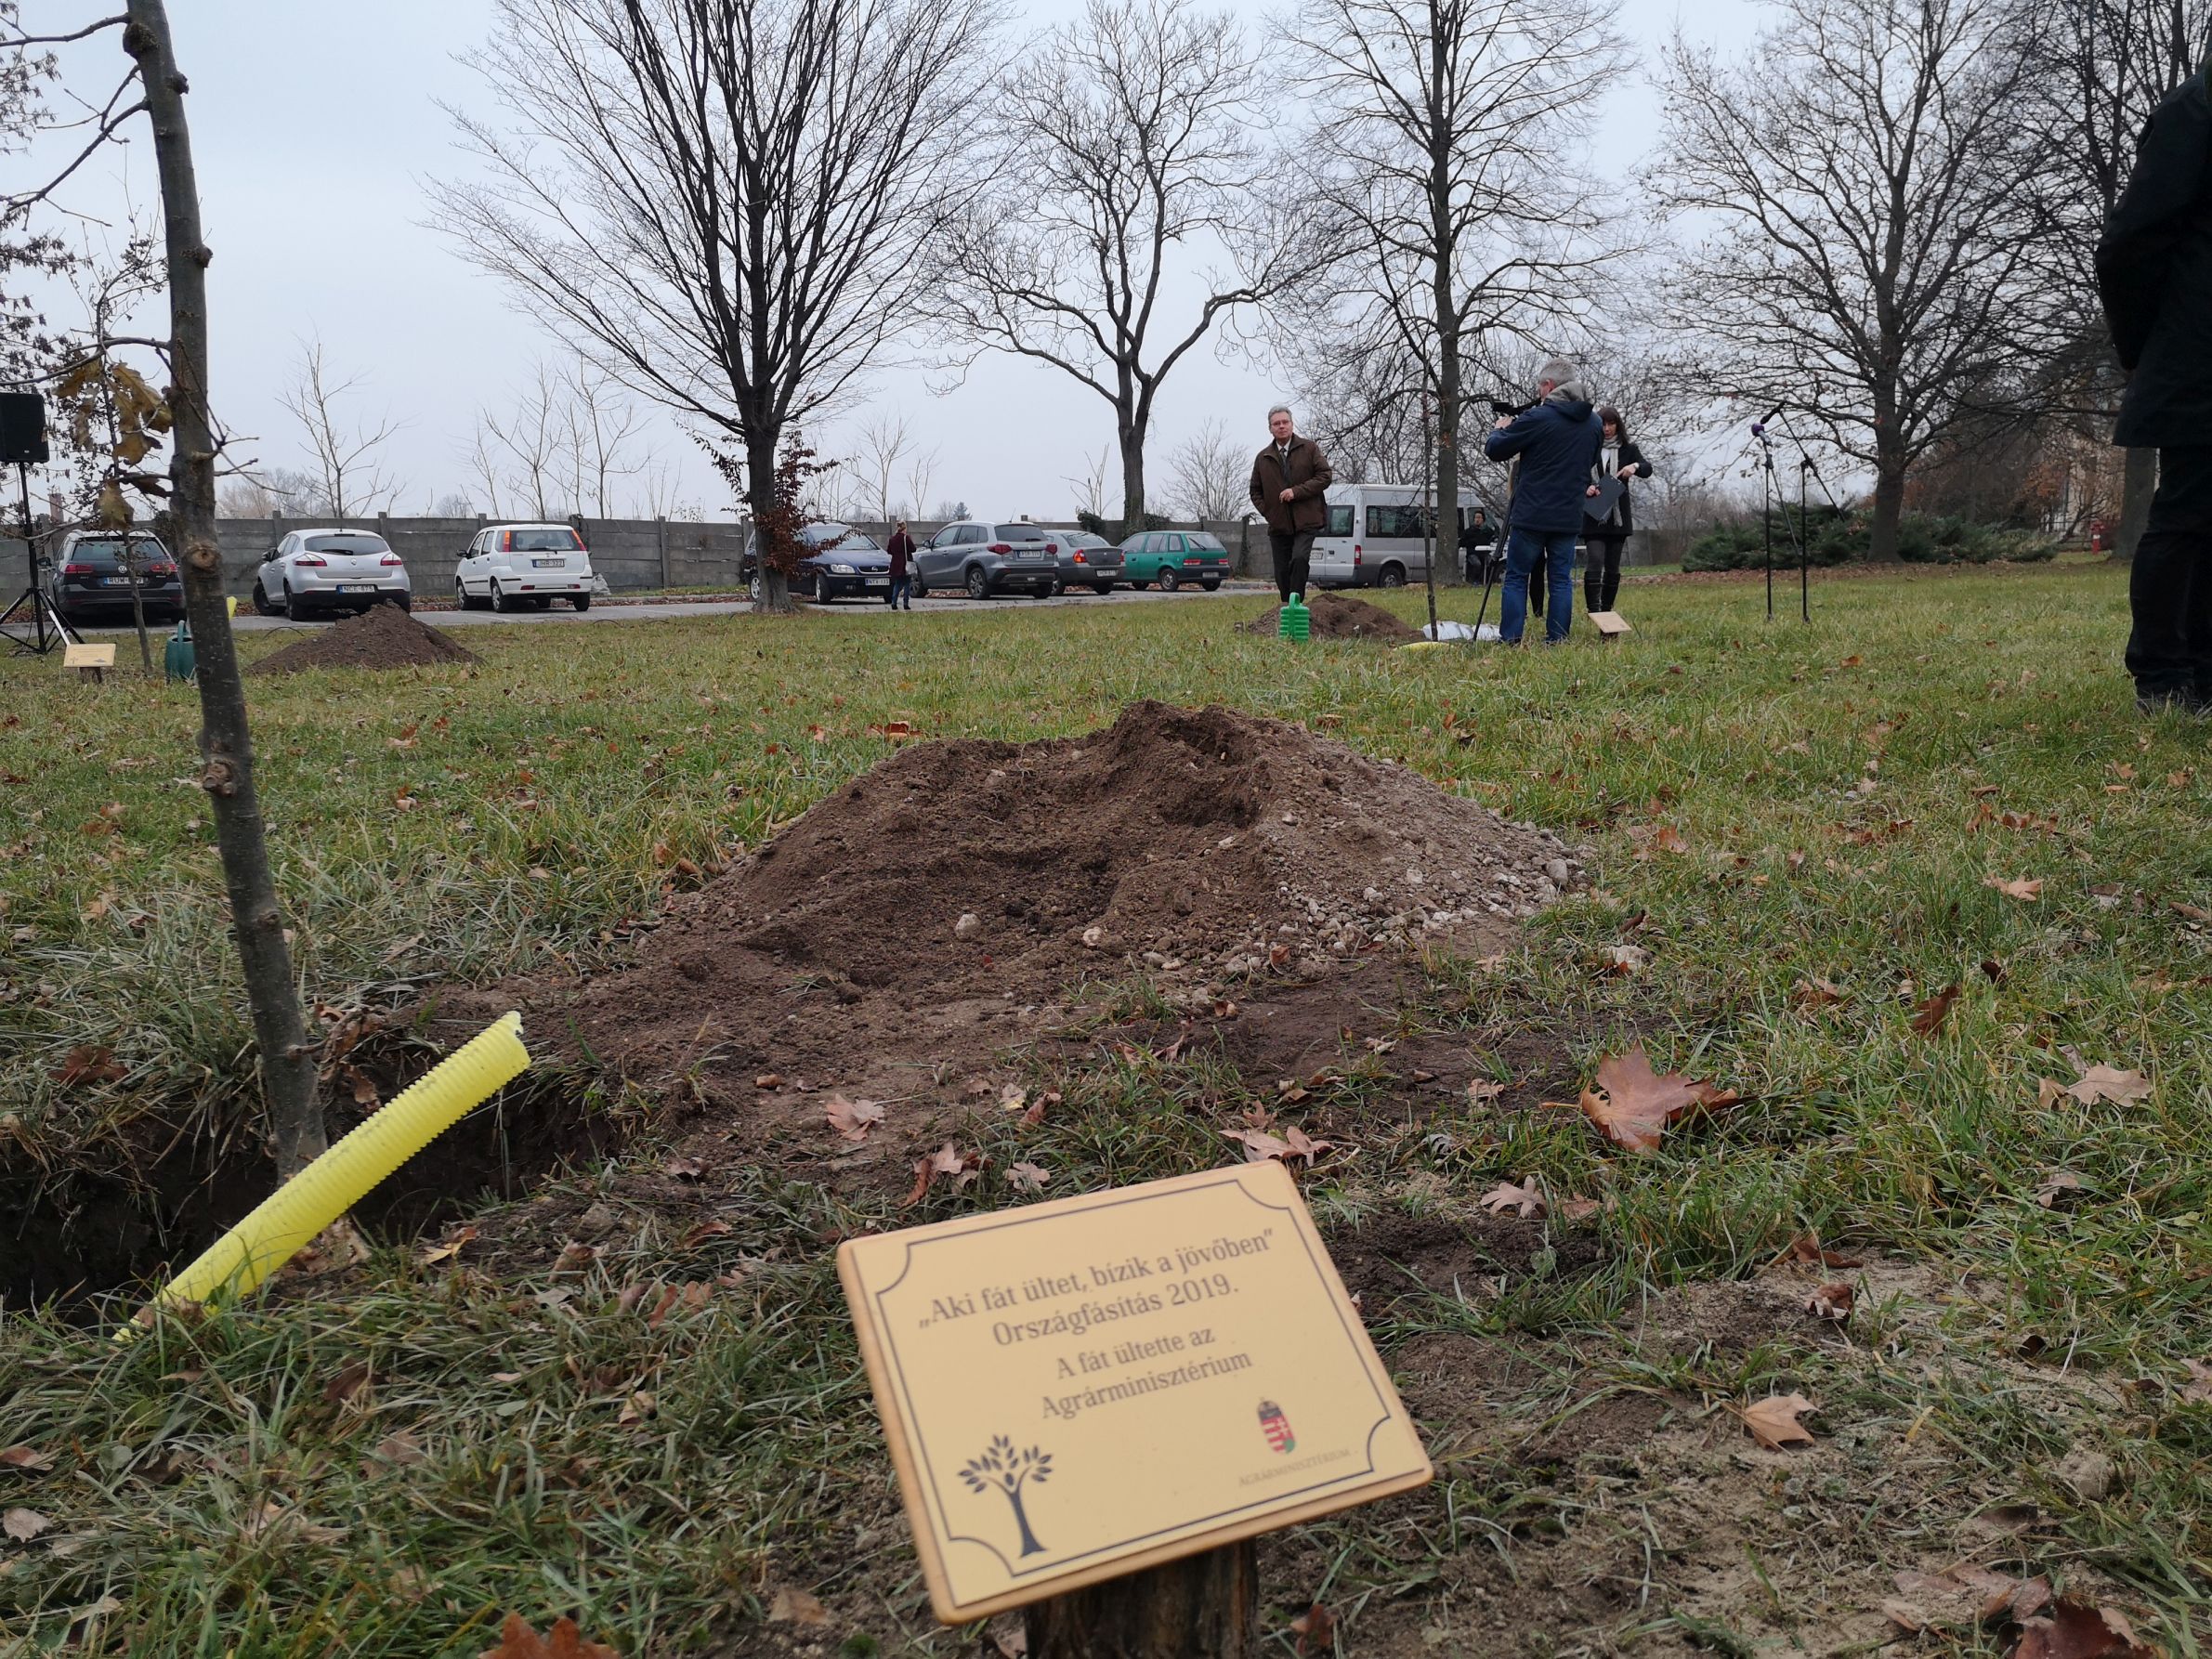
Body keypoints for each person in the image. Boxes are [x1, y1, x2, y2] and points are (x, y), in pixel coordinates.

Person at [2097, 59, 2212, 713]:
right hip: (2199, 347)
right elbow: (2130, 243)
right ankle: (2165, 676)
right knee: (2188, 513)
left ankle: (2199, 672)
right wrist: (2143, 345)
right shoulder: (2193, 109)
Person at [1484, 358, 1602, 644]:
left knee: (1517, 577)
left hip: (1532, 513)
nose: (1538, 392)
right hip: (1568, 513)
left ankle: (1511, 638)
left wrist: (1500, 428)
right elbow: (1590, 461)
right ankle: (1557, 639)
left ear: (1548, 385)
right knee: (1561, 580)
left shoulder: (1538, 418)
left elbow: (1495, 450)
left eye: (1540, 387)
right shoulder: (1595, 423)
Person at [1250, 404, 1333, 604]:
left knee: (1299, 559)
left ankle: (1296, 604)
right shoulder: (1263, 458)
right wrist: (1269, 512)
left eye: (1285, 422)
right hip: (1278, 525)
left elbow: (1325, 476)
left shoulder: (1309, 448)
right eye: (1276, 424)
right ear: (1270, 428)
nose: (1281, 426)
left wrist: (1296, 492)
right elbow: (1255, 491)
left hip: (1307, 521)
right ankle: (1287, 606)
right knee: (1281, 571)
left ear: (1292, 424)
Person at [1581, 407, 1652, 616]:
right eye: (1603, 424)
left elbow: (1647, 468)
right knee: (1595, 559)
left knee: (1612, 566)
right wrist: (1586, 487)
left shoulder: (1628, 449)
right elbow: (1577, 474)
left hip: (1618, 518)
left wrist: (1634, 466)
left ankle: (1607, 611)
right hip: (1594, 514)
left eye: (1611, 424)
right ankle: (1594, 611)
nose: (1607, 428)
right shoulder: (1589, 448)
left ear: (1618, 425)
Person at [1459, 507, 1496, 584]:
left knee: (1491, 562)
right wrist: (1471, 542)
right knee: (1477, 564)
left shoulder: (1488, 531)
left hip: (1484, 553)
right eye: (1476, 518)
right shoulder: (1469, 531)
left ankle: (1487, 581)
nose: (1477, 520)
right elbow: (1462, 542)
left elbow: (1493, 538)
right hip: (1473, 553)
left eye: (1479, 518)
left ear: (1483, 519)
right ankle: (1475, 580)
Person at [885, 518, 915, 610]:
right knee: (907, 583)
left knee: (897, 584)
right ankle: (905, 603)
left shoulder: (892, 539)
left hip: (895, 565)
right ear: (904, 528)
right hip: (905, 565)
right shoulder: (906, 538)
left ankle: (893, 602)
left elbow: (889, 551)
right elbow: (913, 549)